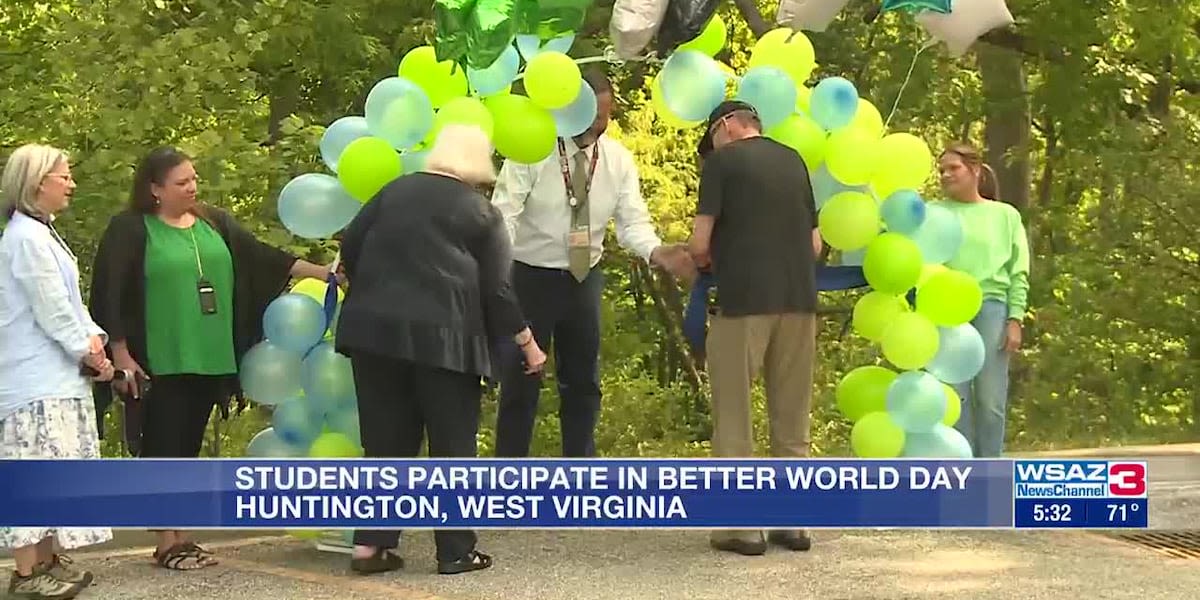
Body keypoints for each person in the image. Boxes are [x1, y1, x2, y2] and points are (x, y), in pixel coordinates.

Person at [87, 146, 335, 570]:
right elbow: (110, 291)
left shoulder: (213, 221)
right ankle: (167, 541)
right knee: (162, 446)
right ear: (155, 189)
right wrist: (121, 352)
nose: (192, 187)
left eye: (194, 179)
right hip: (160, 358)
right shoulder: (131, 228)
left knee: (186, 445)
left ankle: (181, 534)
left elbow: (261, 257)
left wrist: (323, 274)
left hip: (211, 353)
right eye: (182, 182)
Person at [335, 124, 547, 576]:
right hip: (447, 340)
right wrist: (528, 343)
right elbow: (498, 289)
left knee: (384, 444)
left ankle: (371, 548)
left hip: (374, 333)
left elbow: (350, 247)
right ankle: (455, 550)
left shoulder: (393, 192)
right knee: (452, 447)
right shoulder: (481, 213)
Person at [490, 68, 692, 458]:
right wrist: (496, 272)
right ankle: (508, 473)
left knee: (583, 380)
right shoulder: (534, 149)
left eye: (607, 116)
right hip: (530, 274)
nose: (603, 124)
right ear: (571, 109)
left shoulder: (617, 159)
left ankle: (580, 470)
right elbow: (505, 215)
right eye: (595, 115)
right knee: (521, 378)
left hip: (584, 277)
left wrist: (656, 251)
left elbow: (633, 222)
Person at [687, 101, 822, 556]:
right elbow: (816, 243)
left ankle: (741, 526)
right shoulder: (794, 161)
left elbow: (700, 241)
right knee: (792, 414)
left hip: (743, 302)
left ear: (725, 126)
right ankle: (795, 522)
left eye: (713, 137)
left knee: (734, 416)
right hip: (800, 300)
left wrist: (700, 260)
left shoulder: (722, 163)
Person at [0, 144, 114, 599]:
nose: (71, 184)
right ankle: (26, 573)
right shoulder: (25, 239)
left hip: (56, 376)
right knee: (33, 473)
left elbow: (72, 304)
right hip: (33, 381)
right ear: (36, 183)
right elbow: (52, 310)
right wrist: (88, 353)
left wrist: (95, 341)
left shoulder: (40, 234)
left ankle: (46, 560)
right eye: (63, 176)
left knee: (54, 472)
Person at [935, 142, 1030, 458]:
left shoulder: (1005, 216)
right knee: (956, 400)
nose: (946, 175)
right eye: (942, 170)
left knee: (990, 400)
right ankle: (965, 474)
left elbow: (1019, 271)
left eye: (953, 168)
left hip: (991, 308)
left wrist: (1015, 318)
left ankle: (991, 469)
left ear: (975, 170)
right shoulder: (934, 214)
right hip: (947, 311)